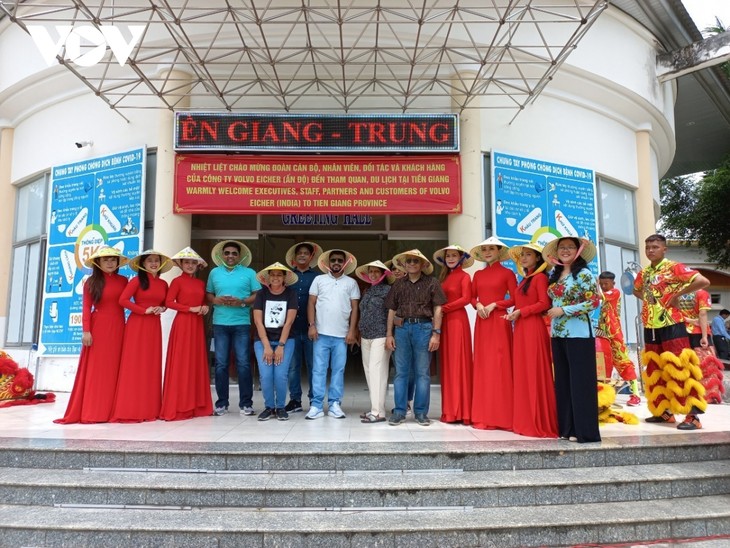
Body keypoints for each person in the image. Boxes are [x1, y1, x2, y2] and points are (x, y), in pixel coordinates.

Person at [633, 233, 710, 430]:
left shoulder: (673, 267)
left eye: (655, 247)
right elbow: (635, 290)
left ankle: (693, 417)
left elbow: (703, 281)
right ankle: (664, 412)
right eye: (648, 247)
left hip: (672, 323)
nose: (651, 250)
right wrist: (648, 299)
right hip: (650, 325)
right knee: (654, 369)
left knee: (679, 368)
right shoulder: (644, 273)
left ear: (664, 249)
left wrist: (678, 293)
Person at [55, 247, 128, 424]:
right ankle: (94, 411)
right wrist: (86, 331)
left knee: (116, 368)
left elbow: (130, 301)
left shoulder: (124, 280)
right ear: (98, 263)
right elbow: (86, 307)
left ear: (118, 262)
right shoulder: (91, 282)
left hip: (119, 327)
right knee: (98, 369)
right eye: (106, 260)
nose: (110, 263)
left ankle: (112, 410)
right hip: (98, 328)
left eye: (113, 259)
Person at [543, 236, 601, 443]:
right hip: (558, 334)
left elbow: (594, 302)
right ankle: (567, 428)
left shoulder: (583, 274)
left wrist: (564, 310)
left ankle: (585, 431)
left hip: (579, 334)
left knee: (581, 384)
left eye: (570, 247)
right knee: (564, 383)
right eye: (562, 248)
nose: (565, 251)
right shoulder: (554, 273)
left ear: (578, 251)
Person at [502, 242, 558, 438]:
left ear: (537, 258)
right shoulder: (524, 279)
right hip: (521, 328)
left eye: (528, 255)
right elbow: (516, 303)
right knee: (523, 373)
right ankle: (524, 419)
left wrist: (521, 312)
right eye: (522, 255)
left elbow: (544, 303)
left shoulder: (540, 278)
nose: (523, 258)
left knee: (533, 373)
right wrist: (509, 313)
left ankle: (537, 421)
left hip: (533, 327)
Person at [385, 249, 446, 426]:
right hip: (402, 329)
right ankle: (399, 411)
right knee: (401, 372)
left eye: (416, 261)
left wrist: (436, 333)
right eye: (409, 261)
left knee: (422, 373)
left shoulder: (432, 282)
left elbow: (438, 308)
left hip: (424, 328)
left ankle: (420, 413)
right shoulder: (398, 284)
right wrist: (389, 334)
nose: (412, 264)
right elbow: (391, 309)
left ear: (423, 265)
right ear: (404, 264)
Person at [110, 249, 171, 423]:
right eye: (150, 260)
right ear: (142, 264)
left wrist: (162, 308)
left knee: (151, 365)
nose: (154, 263)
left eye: (156, 260)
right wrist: (144, 310)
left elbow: (165, 303)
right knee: (135, 365)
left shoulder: (163, 284)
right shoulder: (136, 281)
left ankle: (150, 408)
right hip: (137, 325)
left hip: (154, 325)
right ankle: (131, 408)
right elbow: (123, 300)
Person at [206, 240, 261, 417]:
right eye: (227, 253)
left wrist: (242, 302)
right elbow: (209, 293)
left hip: (242, 324)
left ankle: (246, 404)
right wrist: (215, 300)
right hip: (220, 323)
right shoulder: (214, 272)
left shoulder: (250, 273)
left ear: (240, 256)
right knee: (221, 364)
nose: (230, 256)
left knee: (243, 363)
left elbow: (257, 295)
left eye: (234, 253)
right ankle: (222, 403)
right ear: (222, 255)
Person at [305, 249, 360, 420]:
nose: (336, 263)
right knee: (319, 370)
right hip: (320, 334)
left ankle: (335, 403)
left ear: (345, 263)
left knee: (338, 370)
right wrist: (312, 325)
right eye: (333, 260)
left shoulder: (351, 283)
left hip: (341, 335)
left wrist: (352, 331)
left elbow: (355, 308)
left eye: (339, 260)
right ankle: (316, 405)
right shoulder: (318, 280)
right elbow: (311, 303)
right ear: (328, 263)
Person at [159, 247, 213, 421]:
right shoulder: (176, 282)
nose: (190, 265)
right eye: (187, 262)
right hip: (182, 323)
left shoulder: (200, 284)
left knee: (195, 362)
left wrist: (205, 307)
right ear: (181, 264)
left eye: (193, 263)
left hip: (197, 324)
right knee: (181, 362)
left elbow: (203, 302)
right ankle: (179, 406)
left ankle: (196, 405)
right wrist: (189, 308)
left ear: (198, 266)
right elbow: (168, 302)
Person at [469, 236, 517, 431]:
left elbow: (515, 298)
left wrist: (496, 303)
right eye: (484, 249)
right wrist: (478, 304)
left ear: (499, 252)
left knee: (500, 366)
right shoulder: (478, 275)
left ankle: (503, 416)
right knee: (483, 366)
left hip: (499, 322)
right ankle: (483, 415)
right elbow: (472, 297)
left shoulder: (507, 274)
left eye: (491, 249)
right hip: (482, 323)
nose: (487, 252)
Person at [252, 262, 299, 421]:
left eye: (279, 275)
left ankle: (280, 407)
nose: (276, 277)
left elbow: (289, 322)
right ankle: (269, 407)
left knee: (280, 375)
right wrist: (266, 345)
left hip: (285, 340)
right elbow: (258, 321)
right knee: (265, 375)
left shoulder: (291, 294)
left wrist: (280, 346)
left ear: (284, 277)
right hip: (262, 340)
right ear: (268, 277)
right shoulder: (261, 294)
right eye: (273, 274)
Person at [433, 244, 474, 425]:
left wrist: (444, 309)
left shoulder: (465, 277)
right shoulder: (443, 278)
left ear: (461, 258)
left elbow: (466, 299)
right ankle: (449, 411)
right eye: (448, 255)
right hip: (445, 322)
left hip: (457, 321)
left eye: (454, 255)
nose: (450, 258)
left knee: (459, 364)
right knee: (448, 365)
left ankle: (462, 411)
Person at [283, 241, 322, 413]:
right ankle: (295, 400)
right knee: (292, 367)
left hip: (311, 328)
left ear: (311, 257)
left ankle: (315, 400)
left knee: (314, 366)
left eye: (306, 253)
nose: (302, 255)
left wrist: (314, 325)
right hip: (290, 329)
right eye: (299, 253)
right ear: (294, 257)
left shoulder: (317, 278)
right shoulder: (286, 277)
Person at [597, 271, 641, 406]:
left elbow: (598, 295)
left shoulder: (614, 292)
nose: (604, 286)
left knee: (623, 362)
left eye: (606, 284)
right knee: (603, 365)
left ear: (613, 284)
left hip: (614, 335)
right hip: (602, 334)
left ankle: (636, 395)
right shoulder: (606, 296)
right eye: (602, 283)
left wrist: (594, 284)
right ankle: (605, 394)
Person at [355, 260, 392, 423]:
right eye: (371, 271)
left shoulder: (388, 290)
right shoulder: (367, 291)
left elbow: (392, 313)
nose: (373, 274)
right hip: (366, 335)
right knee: (370, 372)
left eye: (377, 271)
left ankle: (378, 412)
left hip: (381, 335)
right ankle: (375, 408)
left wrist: (390, 334)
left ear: (383, 274)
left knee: (378, 372)